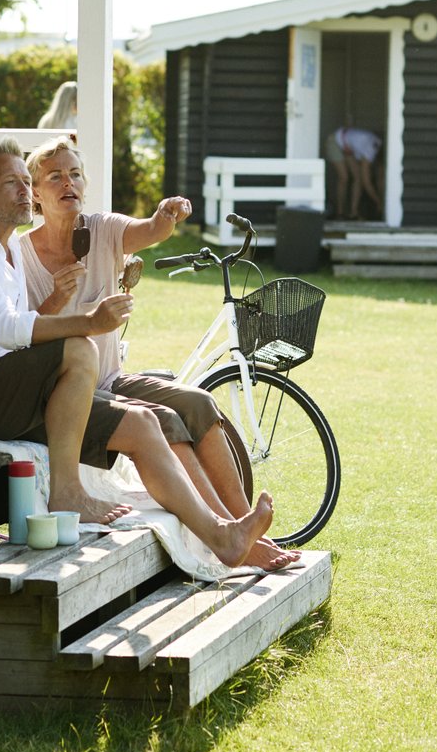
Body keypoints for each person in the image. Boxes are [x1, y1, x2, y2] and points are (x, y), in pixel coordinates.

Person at [0, 138, 275, 566]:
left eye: (24, 180)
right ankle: (68, 492)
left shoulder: (8, 249)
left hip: (7, 389)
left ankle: (224, 538)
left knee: (144, 425)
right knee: (79, 347)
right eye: (13, 182)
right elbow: (6, 328)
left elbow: (23, 325)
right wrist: (89, 321)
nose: (24, 191)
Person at [22, 136, 299, 571]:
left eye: (74, 173)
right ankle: (232, 536)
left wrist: (165, 216)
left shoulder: (102, 229)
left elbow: (147, 231)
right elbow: (22, 335)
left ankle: (241, 524)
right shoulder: (20, 257)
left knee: (200, 403)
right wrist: (58, 298)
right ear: (35, 191)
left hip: (111, 377)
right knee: (167, 421)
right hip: (69, 392)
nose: (67, 182)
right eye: (54, 176)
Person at [324, 124, 383, 220]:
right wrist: (378, 202)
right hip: (335, 141)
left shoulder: (375, 143)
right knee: (344, 177)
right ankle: (340, 214)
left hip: (348, 146)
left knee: (358, 177)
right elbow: (366, 182)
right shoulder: (371, 149)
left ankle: (354, 213)